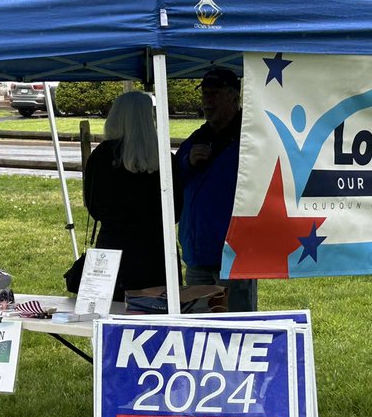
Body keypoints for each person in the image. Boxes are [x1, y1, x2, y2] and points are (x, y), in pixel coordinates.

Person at [83, 91, 182, 300]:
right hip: (157, 250)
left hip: (112, 247)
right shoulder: (164, 158)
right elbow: (177, 209)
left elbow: (93, 205)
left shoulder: (101, 156)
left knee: (110, 317)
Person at [174, 68, 257, 312]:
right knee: (198, 333)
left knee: (235, 328)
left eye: (214, 95)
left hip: (233, 253)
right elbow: (174, 176)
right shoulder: (199, 136)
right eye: (205, 95)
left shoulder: (250, 136)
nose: (207, 102)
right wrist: (188, 161)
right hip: (197, 254)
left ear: (234, 98)